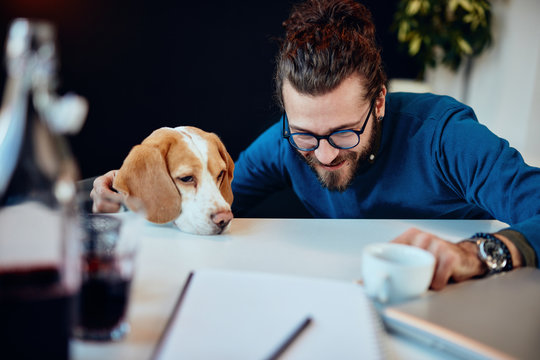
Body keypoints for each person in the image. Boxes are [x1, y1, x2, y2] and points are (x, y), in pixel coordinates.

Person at [91, 0, 540, 290]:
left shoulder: (445, 137)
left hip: (461, 304)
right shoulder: (286, 142)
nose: (323, 154)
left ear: (379, 102)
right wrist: (133, 195)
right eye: (306, 134)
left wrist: (477, 253)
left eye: (345, 132)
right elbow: (216, 202)